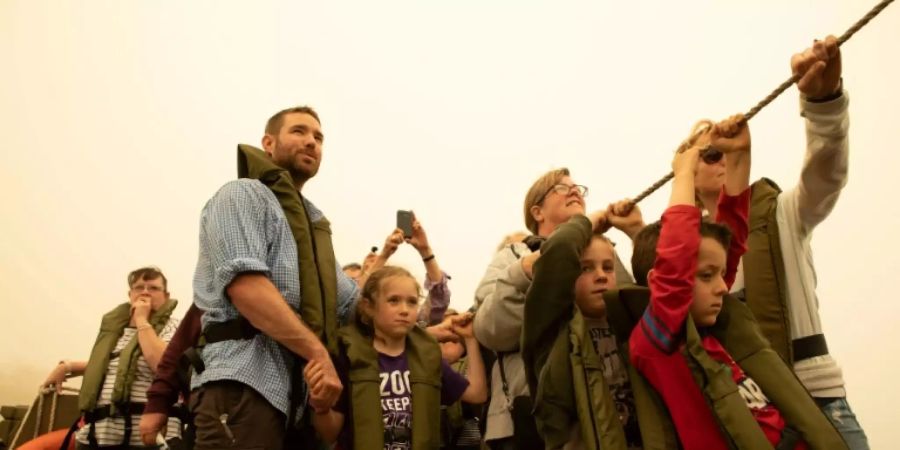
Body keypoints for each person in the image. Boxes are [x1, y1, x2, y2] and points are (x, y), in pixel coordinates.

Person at [691, 36, 868, 448]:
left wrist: (824, 105)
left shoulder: (779, 214)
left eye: (722, 151)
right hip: (747, 416)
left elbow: (826, 176)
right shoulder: (683, 250)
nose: (718, 157)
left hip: (818, 399)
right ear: (687, 170)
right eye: (707, 152)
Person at [629, 117, 845, 449]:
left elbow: (728, 242)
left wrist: (741, 155)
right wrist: (683, 174)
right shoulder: (662, 339)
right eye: (705, 276)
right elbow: (675, 264)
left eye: (718, 275)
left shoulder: (710, 331)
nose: (722, 287)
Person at [187, 106, 358, 449]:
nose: (311, 142)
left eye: (318, 137)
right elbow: (247, 288)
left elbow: (353, 305)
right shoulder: (242, 195)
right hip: (242, 385)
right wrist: (317, 353)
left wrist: (434, 328)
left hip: (297, 403)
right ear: (268, 142)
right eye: (299, 132)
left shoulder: (313, 227)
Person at [473, 169, 640, 449]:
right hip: (534, 423)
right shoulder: (514, 256)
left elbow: (630, 316)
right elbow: (490, 330)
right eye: (562, 188)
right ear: (537, 212)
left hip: (612, 414)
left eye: (578, 188)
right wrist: (530, 270)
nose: (575, 192)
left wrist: (635, 232)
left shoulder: (604, 252)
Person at [308, 266, 488, 450]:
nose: (404, 310)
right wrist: (322, 409)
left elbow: (477, 394)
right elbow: (330, 434)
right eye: (393, 300)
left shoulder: (426, 356)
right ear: (368, 307)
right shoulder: (348, 354)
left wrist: (470, 339)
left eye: (411, 302)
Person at [41, 266, 181, 449]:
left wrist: (141, 320)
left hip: (147, 439)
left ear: (166, 296)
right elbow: (114, 364)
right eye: (139, 287)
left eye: (153, 288)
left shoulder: (174, 328)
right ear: (130, 294)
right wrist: (68, 366)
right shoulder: (114, 330)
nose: (145, 292)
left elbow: (163, 365)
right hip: (96, 436)